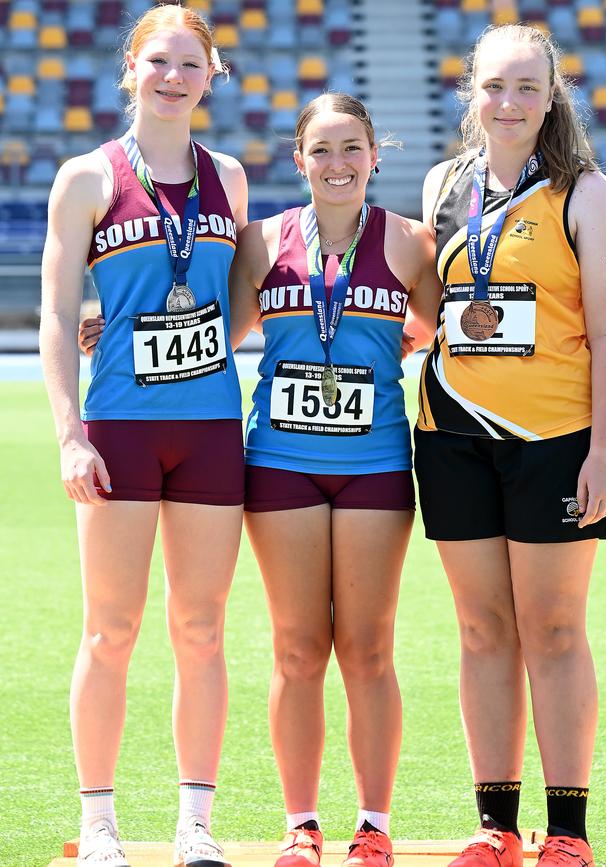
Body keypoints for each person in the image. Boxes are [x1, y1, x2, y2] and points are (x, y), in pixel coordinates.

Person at [413, 24, 606, 867]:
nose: (508, 103)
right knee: (481, 629)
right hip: (453, 438)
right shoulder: (444, 184)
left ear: (551, 97)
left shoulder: (586, 193)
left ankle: (568, 832)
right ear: (472, 90)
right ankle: (496, 825)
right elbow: (428, 313)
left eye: (526, 88)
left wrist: (604, 452)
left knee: (552, 627)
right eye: (494, 85)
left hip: (555, 441)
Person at [39, 6, 248, 866]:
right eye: (157, 60)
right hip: (118, 429)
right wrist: (68, 433)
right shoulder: (86, 178)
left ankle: (195, 821)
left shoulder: (229, 179)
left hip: (208, 428)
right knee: (110, 630)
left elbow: (233, 308)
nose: (172, 77)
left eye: (189, 65)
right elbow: (54, 315)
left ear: (211, 76)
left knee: (201, 629)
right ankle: (99, 824)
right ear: (131, 67)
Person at [228, 92, 439, 867]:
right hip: (279, 465)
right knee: (296, 646)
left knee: (368, 646)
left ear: (376, 155)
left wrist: (386, 347)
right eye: (322, 149)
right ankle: (301, 824)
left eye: (353, 148)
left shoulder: (412, 244)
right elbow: (217, 329)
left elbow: (445, 329)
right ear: (299, 159)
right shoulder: (261, 244)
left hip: (376, 466)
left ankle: (374, 823)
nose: (338, 164)